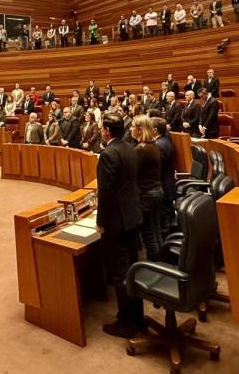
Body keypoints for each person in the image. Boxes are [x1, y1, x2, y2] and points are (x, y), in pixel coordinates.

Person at [95, 114, 144, 338]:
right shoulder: (130, 148)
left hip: (117, 221)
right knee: (133, 269)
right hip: (133, 215)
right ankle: (137, 317)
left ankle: (126, 323)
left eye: (101, 128)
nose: (101, 131)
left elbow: (106, 193)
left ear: (107, 130)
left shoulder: (108, 154)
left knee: (120, 273)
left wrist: (101, 222)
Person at [131, 115, 163, 262]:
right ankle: (161, 263)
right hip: (156, 191)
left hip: (146, 195)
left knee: (149, 236)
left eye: (133, 126)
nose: (130, 129)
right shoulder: (153, 145)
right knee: (157, 231)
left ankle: (154, 267)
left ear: (140, 129)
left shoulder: (141, 149)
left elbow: (133, 173)